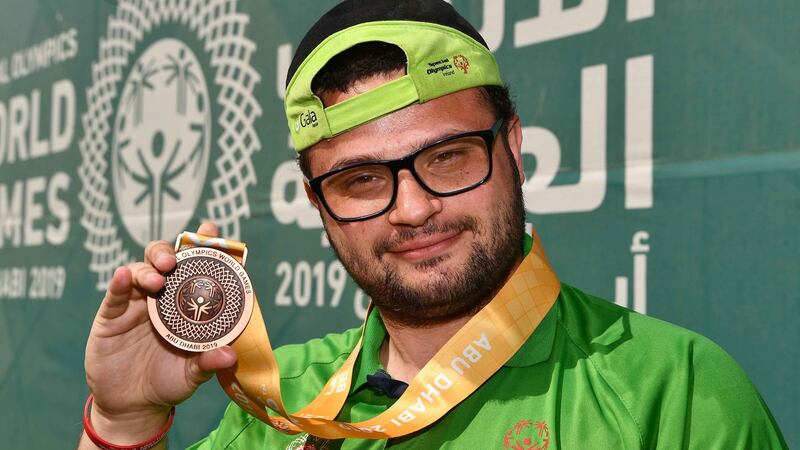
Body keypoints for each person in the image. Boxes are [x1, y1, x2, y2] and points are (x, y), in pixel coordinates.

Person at [79, 1, 788, 449]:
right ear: (316, 200)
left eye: (447, 158)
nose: (413, 208)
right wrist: (122, 424)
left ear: (512, 146)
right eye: (360, 180)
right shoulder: (275, 400)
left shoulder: (677, 393)